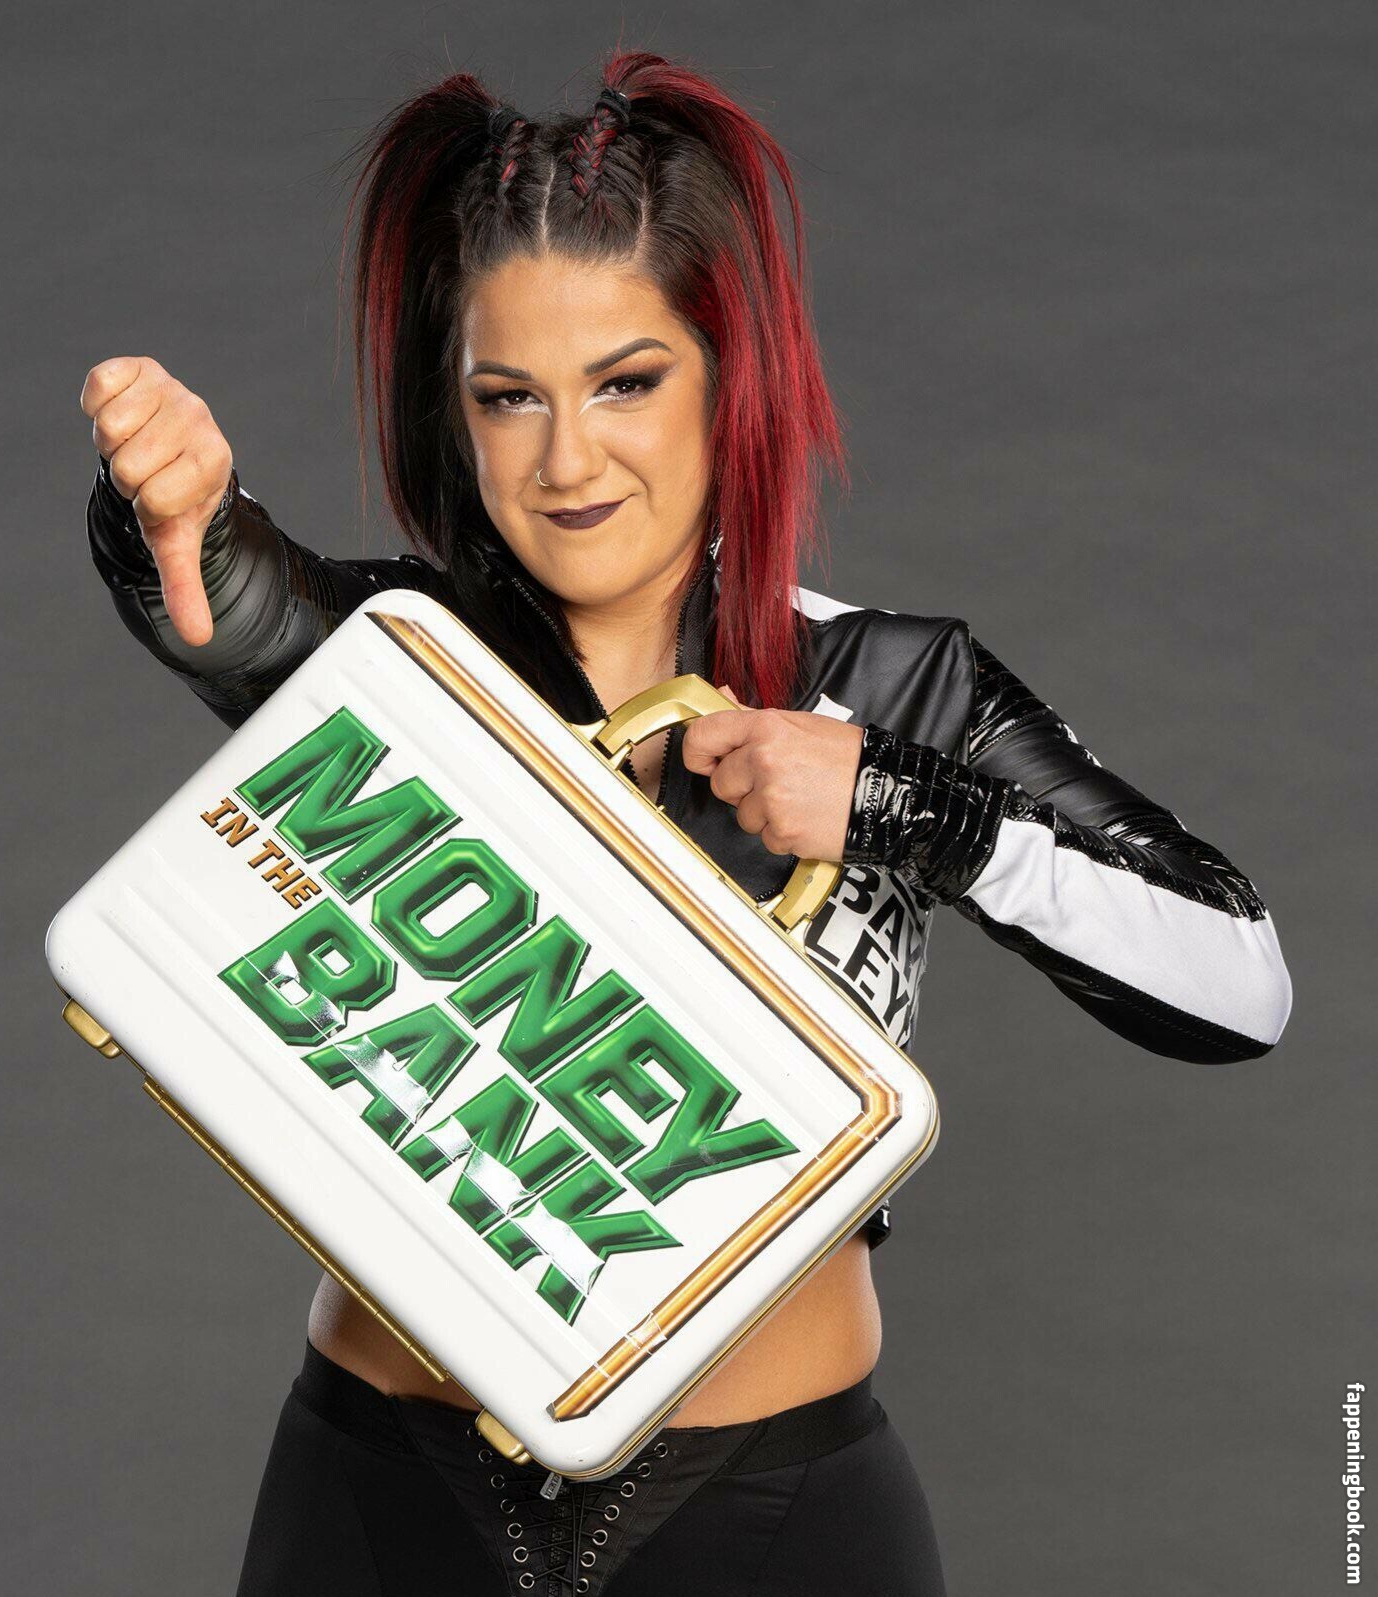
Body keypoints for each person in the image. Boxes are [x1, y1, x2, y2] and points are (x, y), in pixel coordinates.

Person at [77, 50, 1292, 1597]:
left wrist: (905, 804)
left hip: (766, 1503)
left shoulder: (891, 683)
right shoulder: (408, 659)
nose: (565, 459)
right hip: (380, 1483)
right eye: (508, 397)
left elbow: (1238, 981)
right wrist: (171, 514)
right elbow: (231, 606)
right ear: (456, 411)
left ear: (729, 373)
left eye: (625, 382)